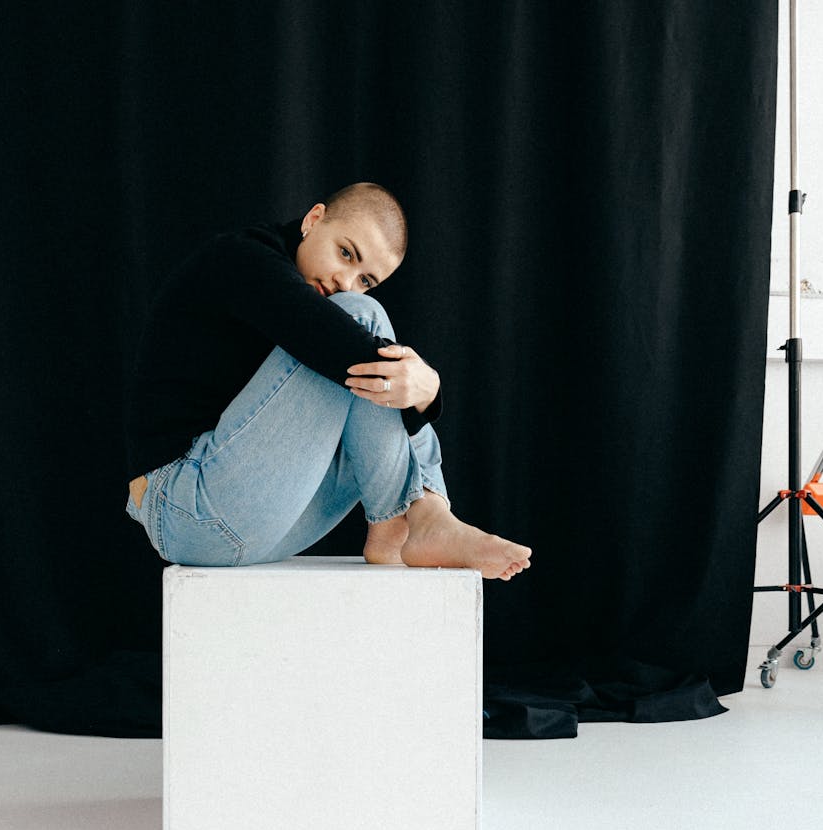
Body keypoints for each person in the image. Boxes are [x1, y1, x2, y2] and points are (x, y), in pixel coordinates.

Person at [124, 182, 531, 581]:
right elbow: (342, 341)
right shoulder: (242, 258)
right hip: (183, 508)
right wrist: (430, 388)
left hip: (261, 527)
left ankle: (410, 521)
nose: (344, 280)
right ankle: (417, 517)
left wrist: (422, 385)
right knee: (359, 318)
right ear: (313, 220)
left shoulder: (310, 298)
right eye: (345, 253)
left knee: (367, 371)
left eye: (365, 279)